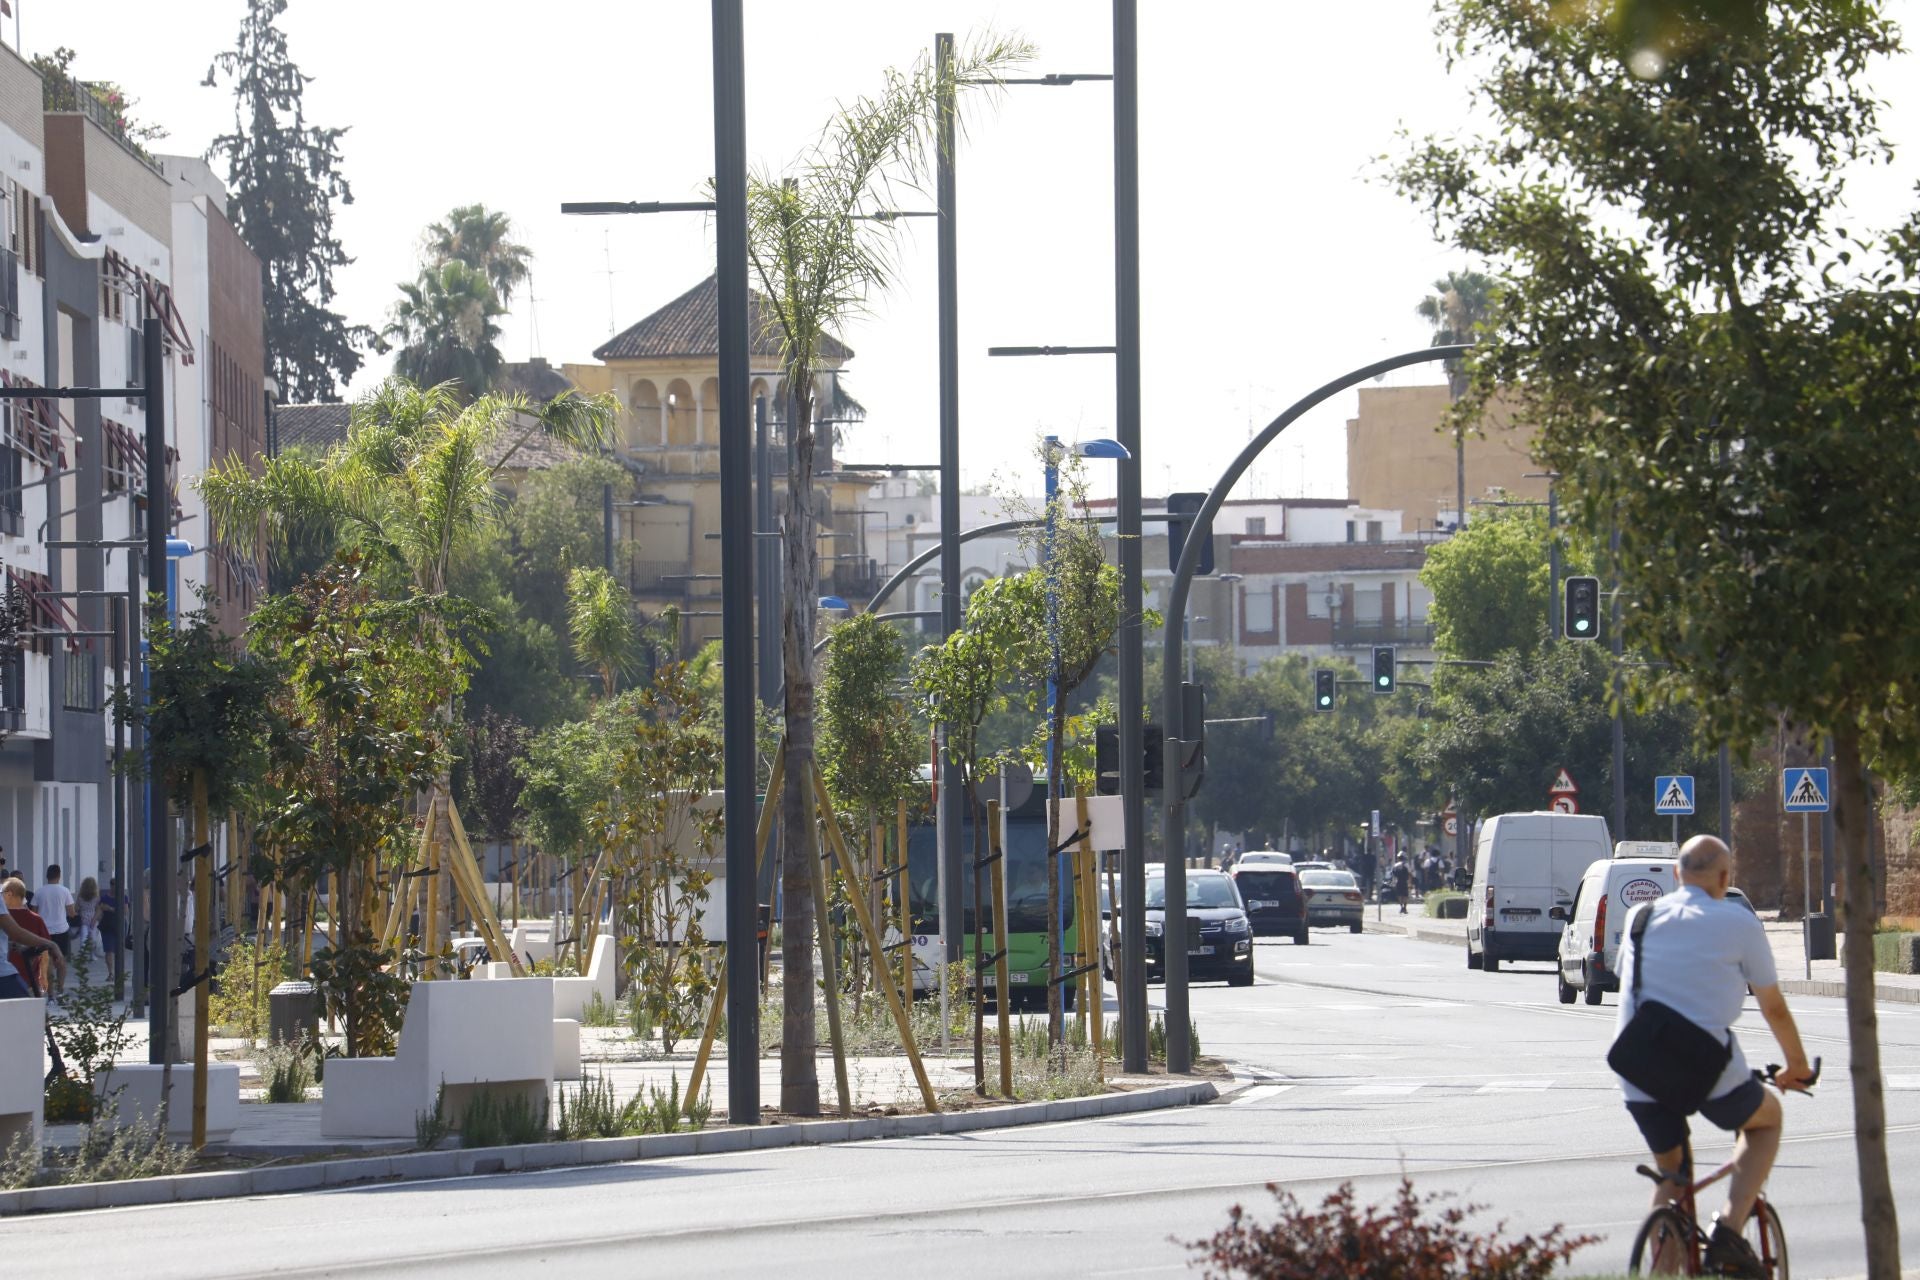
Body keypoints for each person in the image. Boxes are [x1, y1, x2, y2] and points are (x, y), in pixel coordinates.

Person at [1615, 836, 1814, 1280]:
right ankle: (1728, 1230)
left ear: (1675, 875)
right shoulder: (1738, 923)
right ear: (1725, 879)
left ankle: (1664, 1271)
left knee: (1672, 1173)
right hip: (1704, 1065)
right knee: (1766, 1120)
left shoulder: (1640, 917)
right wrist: (1796, 1066)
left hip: (1637, 1065)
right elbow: (1774, 1006)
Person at [1, 876, 64, 998]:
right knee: (28, 1009)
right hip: (3, 974)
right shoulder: (34, 918)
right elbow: (16, 933)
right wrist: (51, 944)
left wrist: (10, 944)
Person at [34, 864, 75, 990]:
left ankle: (51, 993)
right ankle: (61, 989)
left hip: (44, 932)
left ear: (47, 876)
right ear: (59, 875)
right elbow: (71, 913)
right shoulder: (65, 891)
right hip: (61, 930)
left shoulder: (39, 892)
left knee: (48, 963)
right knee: (62, 961)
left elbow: (33, 912)